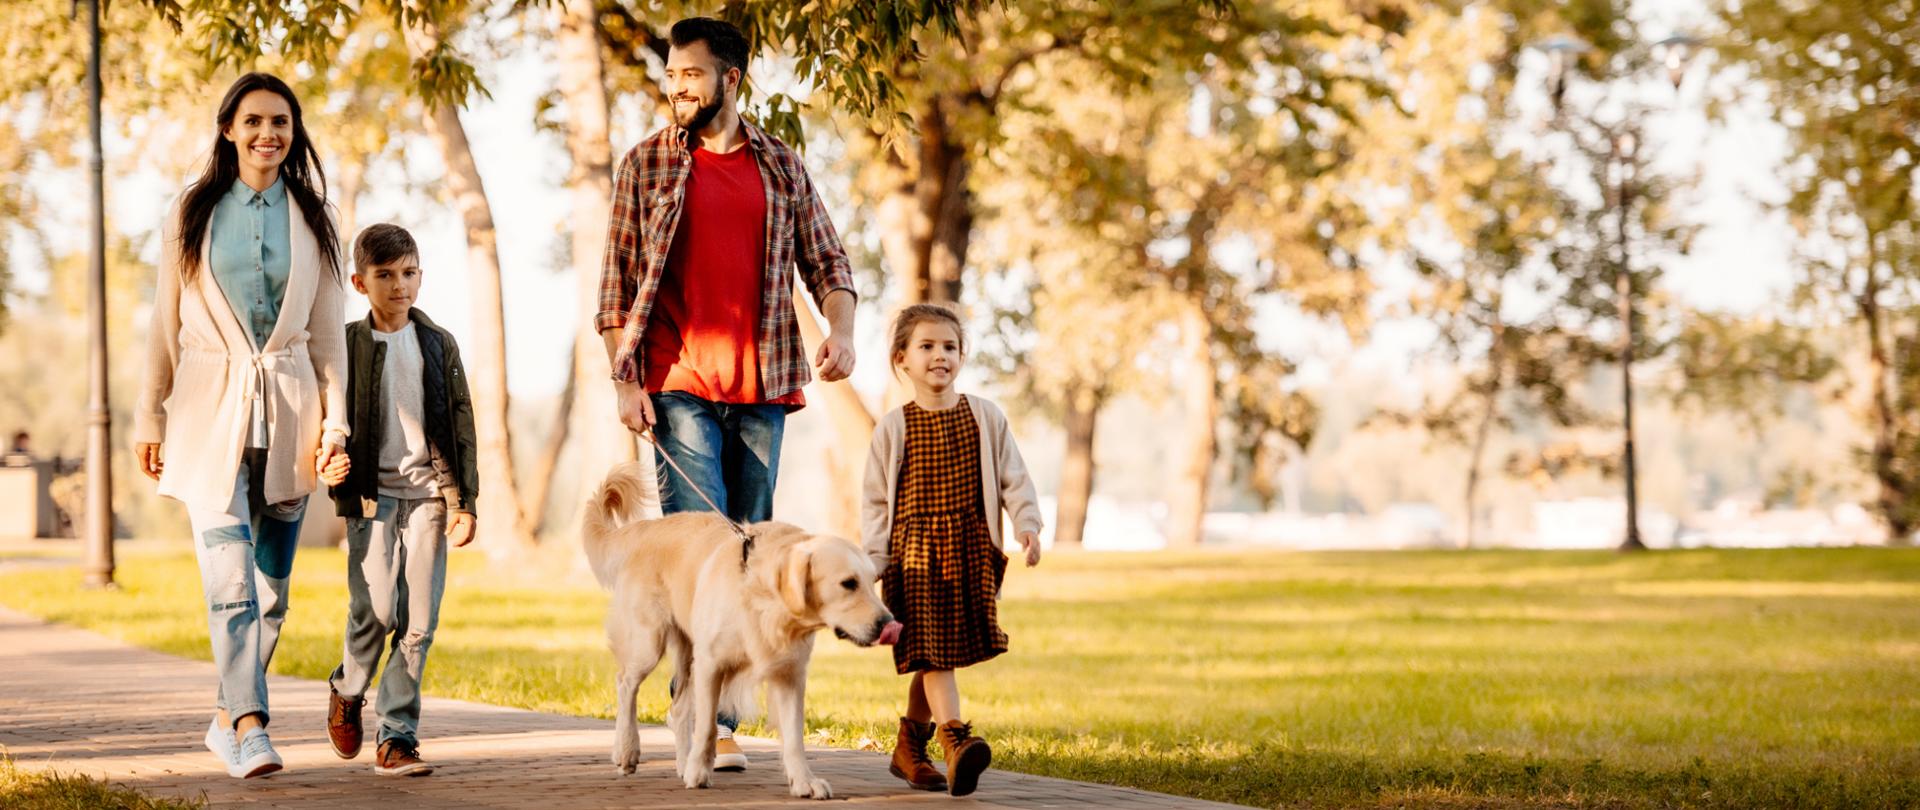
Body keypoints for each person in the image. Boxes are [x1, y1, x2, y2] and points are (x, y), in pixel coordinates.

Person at [596, 15, 858, 771]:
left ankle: (708, 710)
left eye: (691, 76)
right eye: (671, 76)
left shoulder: (781, 167)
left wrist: (840, 332)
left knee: (751, 551)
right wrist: (626, 382)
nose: (677, 88)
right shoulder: (646, 164)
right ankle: (709, 724)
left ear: (731, 81)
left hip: (765, 389)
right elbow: (614, 292)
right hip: (677, 384)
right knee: (703, 549)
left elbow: (830, 265)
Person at [133, 72, 351, 779]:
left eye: (281, 122)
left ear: (294, 132)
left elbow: (327, 338)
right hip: (206, 413)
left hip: (291, 417)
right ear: (228, 128)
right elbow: (164, 322)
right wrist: (150, 413)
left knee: (270, 591)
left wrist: (336, 426)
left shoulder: (316, 218)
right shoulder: (190, 211)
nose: (268, 134)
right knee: (228, 579)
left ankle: (227, 713)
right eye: (254, 120)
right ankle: (252, 727)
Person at [862, 304, 1044, 797]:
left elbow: (1013, 475)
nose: (939, 355)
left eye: (949, 346)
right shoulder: (892, 428)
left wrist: (1026, 524)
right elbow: (876, 503)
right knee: (935, 651)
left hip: (969, 551)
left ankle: (908, 749)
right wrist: (873, 563)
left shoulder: (985, 416)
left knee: (935, 652)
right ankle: (956, 741)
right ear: (902, 359)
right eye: (926, 346)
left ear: (962, 356)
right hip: (913, 557)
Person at [323, 223, 478, 777]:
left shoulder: (438, 344)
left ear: (421, 276)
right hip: (370, 498)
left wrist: (466, 502)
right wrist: (328, 463)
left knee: (418, 622)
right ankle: (347, 688)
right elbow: (327, 421)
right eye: (385, 276)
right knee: (377, 610)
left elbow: (461, 425)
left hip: (429, 498)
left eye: (408, 273)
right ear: (360, 282)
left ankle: (397, 737)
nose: (399, 286)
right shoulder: (344, 345)